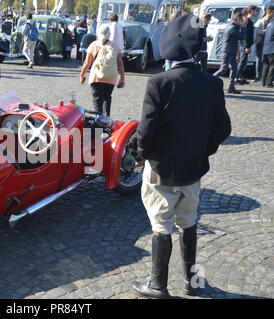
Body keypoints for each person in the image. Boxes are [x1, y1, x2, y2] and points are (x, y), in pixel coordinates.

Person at [128, 14, 231, 299]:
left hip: (162, 168)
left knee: (161, 225)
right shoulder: (212, 83)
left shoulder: (159, 82)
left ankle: (158, 285)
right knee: (189, 221)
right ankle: (193, 283)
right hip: (193, 167)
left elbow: (146, 131)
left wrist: (138, 154)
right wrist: (203, 149)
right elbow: (223, 128)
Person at [79, 24, 125, 116]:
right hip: (111, 78)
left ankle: (98, 129)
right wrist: (122, 78)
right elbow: (120, 63)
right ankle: (106, 126)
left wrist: (82, 75)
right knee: (107, 100)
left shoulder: (94, 45)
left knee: (98, 103)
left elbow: (87, 63)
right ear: (109, 34)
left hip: (96, 78)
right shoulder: (115, 46)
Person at [213, 12, 244, 94]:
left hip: (230, 51)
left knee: (234, 69)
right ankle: (209, 80)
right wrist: (242, 28)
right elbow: (241, 36)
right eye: (241, 20)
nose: (242, 21)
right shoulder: (232, 28)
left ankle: (231, 87)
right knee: (223, 69)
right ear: (237, 19)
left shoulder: (233, 26)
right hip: (227, 51)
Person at [236, 6, 257, 85]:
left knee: (244, 62)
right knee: (242, 61)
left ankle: (241, 76)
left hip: (246, 45)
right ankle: (237, 77)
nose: (256, 13)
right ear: (251, 11)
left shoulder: (249, 21)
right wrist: (246, 46)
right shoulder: (246, 21)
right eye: (255, 11)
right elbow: (245, 35)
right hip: (244, 45)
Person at [254, 6, 274, 82]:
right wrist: (266, 31)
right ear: (270, 12)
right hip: (260, 42)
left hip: (268, 43)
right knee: (260, 60)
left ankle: (265, 79)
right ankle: (258, 76)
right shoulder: (261, 20)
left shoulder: (272, 20)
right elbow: (257, 31)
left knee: (267, 62)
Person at [261, 20, 274, 87]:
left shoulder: (269, 25)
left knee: (266, 65)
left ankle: (263, 82)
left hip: (266, 48)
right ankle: (268, 82)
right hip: (272, 48)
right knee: (272, 66)